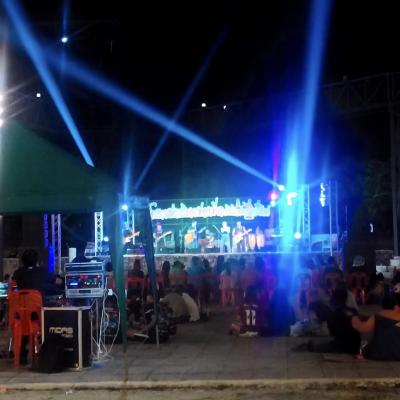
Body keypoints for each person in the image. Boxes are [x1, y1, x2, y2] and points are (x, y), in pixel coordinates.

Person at [352, 293, 400, 360]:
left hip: (378, 353)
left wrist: (354, 318)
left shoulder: (378, 316)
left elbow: (362, 328)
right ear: (396, 307)